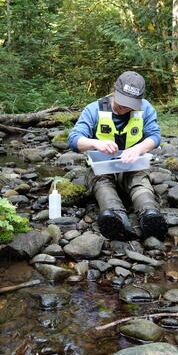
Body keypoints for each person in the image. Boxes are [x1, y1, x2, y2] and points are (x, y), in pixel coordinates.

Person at [68, 71, 167, 241]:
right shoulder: (94, 109)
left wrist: (139, 148)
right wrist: (95, 143)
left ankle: (150, 214)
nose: (125, 109)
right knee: (102, 183)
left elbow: (155, 137)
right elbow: (74, 139)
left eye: (130, 105)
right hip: (102, 167)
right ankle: (115, 215)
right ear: (114, 91)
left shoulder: (146, 108)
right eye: (122, 103)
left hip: (132, 165)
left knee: (139, 182)